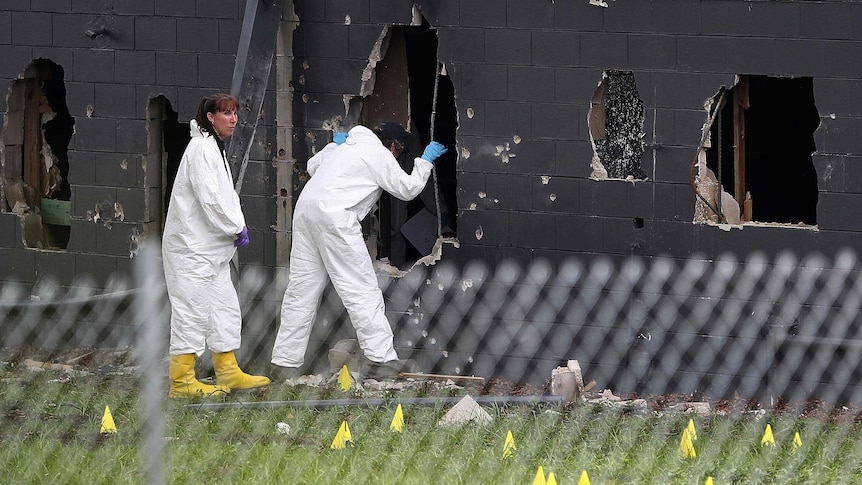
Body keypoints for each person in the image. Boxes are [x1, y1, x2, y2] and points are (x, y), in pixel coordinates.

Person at [270, 123, 447, 380]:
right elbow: (407, 189)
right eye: (398, 152)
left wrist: (334, 145)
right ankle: (380, 360)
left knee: (301, 291)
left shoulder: (344, 148)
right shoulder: (378, 153)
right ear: (393, 146)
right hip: (336, 219)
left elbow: (312, 166)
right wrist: (425, 162)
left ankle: (284, 364)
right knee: (361, 290)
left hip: (306, 213)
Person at [162, 93, 270, 398]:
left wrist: (234, 228)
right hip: (192, 250)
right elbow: (210, 199)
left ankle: (228, 372)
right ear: (210, 117)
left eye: (235, 113)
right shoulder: (200, 150)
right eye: (226, 113)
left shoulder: (213, 148)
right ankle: (181, 382)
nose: (233, 119)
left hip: (213, 251)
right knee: (191, 312)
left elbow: (224, 196)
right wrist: (235, 227)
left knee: (224, 309)